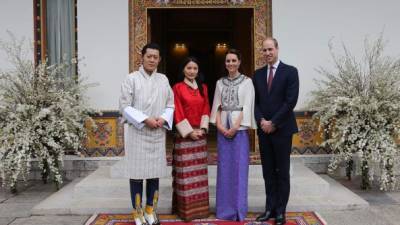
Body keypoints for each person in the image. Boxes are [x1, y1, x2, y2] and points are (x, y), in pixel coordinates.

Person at [119, 43, 174, 225]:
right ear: (142, 57)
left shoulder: (163, 79)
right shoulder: (131, 79)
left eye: (155, 57)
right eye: (149, 56)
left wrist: (163, 119)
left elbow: (170, 105)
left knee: (153, 173)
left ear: (159, 59)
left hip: (157, 132)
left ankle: (151, 210)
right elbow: (124, 106)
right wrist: (145, 119)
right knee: (136, 173)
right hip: (138, 132)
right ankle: (137, 212)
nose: (152, 60)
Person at [253, 38, 299, 225]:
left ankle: (280, 211)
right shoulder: (257, 74)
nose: (267, 53)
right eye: (264, 50)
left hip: (282, 129)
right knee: (268, 172)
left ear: (277, 49)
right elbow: (254, 103)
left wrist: (274, 122)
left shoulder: (290, 72)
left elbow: (290, 101)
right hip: (264, 130)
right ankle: (269, 208)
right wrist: (262, 121)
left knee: (282, 172)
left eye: (270, 49)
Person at [210, 49, 256, 221]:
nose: (230, 64)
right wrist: (221, 127)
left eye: (233, 60)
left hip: (239, 129)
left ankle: (238, 210)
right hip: (223, 129)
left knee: (239, 169)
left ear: (239, 62)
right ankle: (223, 210)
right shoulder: (220, 83)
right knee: (224, 169)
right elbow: (217, 106)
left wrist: (235, 127)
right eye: (228, 61)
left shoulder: (247, 82)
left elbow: (248, 106)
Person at [172, 57, 210, 221]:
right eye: (189, 68)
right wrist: (189, 132)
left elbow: (206, 107)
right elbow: (177, 110)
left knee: (199, 176)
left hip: (200, 136)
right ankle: (186, 212)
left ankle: (200, 210)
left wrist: (202, 129)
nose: (192, 71)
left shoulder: (204, 88)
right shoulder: (178, 88)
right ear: (183, 70)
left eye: (195, 68)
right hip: (184, 137)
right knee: (185, 176)